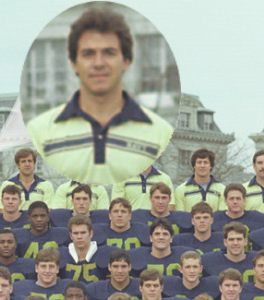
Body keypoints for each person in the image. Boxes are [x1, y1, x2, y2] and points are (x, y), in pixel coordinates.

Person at [24, 7, 173, 185]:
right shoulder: (39, 132)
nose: (99, 63)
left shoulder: (161, 133)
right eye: (88, 54)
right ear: (73, 64)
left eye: (109, 53)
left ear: (126, 61)